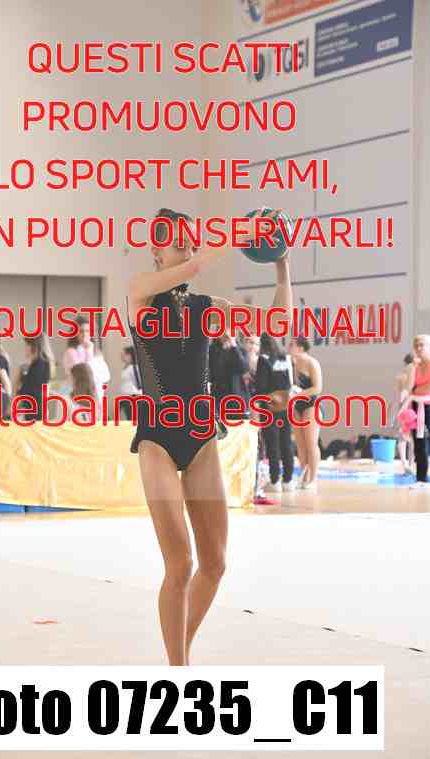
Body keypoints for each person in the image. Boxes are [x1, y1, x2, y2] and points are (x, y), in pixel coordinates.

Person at [127, 207, 292, 665]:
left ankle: (179, 652)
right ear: (156, 251)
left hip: (200, 436)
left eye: (190, 240)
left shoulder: (205, 307)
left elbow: (277, 324)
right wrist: (239, 233)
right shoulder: (139, 292)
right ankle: (177, 671)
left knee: (215, 564)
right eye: (176, 241)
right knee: (180, 564)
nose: (186, 248)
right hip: (158, 438)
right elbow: (197, 266)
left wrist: (281, 263)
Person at [255, 333, 294, 493]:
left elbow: (261, 387)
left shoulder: (264, 360)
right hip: (285, 405)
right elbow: (291, 383)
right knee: (286, 442)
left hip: (269, 407)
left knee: (272, 444)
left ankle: (275, 479)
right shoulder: (285, 358)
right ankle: (288, 480)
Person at [288, 335, 323, 490]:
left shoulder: (311, 363)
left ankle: (313, 479)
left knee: (311, 444)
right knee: (300, 445)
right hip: (296, 405)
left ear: (301, 348)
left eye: (292, 344)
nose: (288, 347)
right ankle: (305, 477)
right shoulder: (290, 363)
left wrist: (298, 394)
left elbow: (317, 388)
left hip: (311, 404)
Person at [62, 317, 110, 405]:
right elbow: (83, 373)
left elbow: (105, 375)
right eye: (81, 331)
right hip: (78, 394)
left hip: (96, 394)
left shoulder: (96, 351)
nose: (85, 334)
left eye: (87, 331)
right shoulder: (71, 352)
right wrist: (88, 350)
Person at [404, 334, 430, 488]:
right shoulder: (414, 366)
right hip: (417, 406)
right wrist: (413, 369)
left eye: (422, 345)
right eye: (416, 346)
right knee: (419, 442)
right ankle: (421, 479)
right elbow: (409, 388)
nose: (419, 348)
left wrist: (417, 390)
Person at [209, 329, 250, 415]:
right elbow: (214, 371)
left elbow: (243, 368)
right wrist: (223, 349)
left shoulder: (241, 351)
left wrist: (234, 346)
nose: (227, 335)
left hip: (237, 396)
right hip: (218, 396)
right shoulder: (212, 350)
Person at [14, 334, 55, 421]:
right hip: (37, 410)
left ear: (35, 347)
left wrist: (19, 378)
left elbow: (27, 390)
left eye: (27, 345)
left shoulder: (39, 365)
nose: (25, 348)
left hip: (35, 412)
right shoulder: (43, 363)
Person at [119, 346, 141, 420]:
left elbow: (138, 382)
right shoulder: (126, 368)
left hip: (132, 396)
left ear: (130, 356)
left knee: (132, 418)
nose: (122, 357)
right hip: (125, 396)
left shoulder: (134, 368)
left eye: (124, 354)